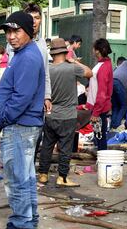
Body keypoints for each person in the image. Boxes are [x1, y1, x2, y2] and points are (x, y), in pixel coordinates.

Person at [0, 11, 45, 229]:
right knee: (25, 174)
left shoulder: (28, 57)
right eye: (8, 32)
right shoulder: (24, 54)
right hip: (22, 124)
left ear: (29, 32)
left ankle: (21, 222)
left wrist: (3, 117)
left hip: (19, 125)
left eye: (17, 31)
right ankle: (28, 219)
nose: (11, 36)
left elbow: (22, 97)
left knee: (17, 176)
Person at [37, 38, 93, 188]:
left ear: (52, 53)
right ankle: (62, 177)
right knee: (65, 148)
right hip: (68, 115)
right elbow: (90, 73)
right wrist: (74, 61)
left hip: (50, 114)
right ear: (65, 52)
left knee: (47, 145)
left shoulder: (47, 69)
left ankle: (43, 174)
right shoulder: (71, 68)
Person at [24, 3, 52, 115]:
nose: (34, 22)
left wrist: (47, 96)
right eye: (30, 18)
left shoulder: (42, 43)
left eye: (37, 18)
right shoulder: (15, 42)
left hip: (37, 100)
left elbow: (45, 72)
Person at [88, 38, 113, 152]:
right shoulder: (104, 64)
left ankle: (102, 162)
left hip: (99, 108)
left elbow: (102, 92)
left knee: (100, 137)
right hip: (98, 107)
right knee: (99, 136)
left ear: (97, 50)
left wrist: (96, 112)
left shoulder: (103, 67)